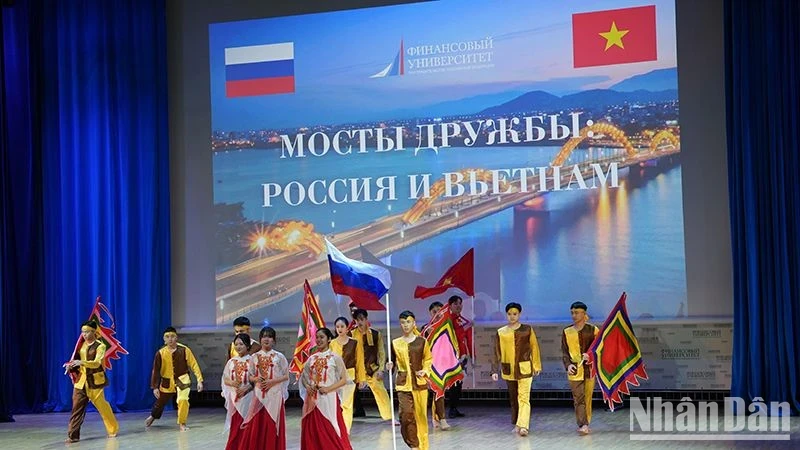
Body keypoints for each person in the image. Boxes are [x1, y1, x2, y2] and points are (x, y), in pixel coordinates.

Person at [490, 302, 542, 437]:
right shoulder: (501, 332)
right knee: (514, 398)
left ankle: (523, 426)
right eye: (509, 314)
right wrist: (494, 370)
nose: (512, 317)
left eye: (515, 314)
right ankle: (517, 423)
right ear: (506, 315)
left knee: (524, 397)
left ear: (519, 314)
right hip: (509, 369)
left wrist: (536, 365)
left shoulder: (527, 330)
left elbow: (534, 347)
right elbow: (496, 352)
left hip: (525, 368)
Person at [64, 320, 119, 443]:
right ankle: (73, 435)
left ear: (94, 332)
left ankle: (112, 428)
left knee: (102, 406)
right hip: (81, 381)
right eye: (83, 332)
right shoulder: (81, 345)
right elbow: (77, 361)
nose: (84, 334)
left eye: (87, 331)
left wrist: (82, 362)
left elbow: (97, 363)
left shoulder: (100, 346)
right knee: (76, 408)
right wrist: (71, 366)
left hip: (95, 381)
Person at [300, 328, 352, 450]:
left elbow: (344, 380)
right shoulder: (311, 358)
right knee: (313, 430)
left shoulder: (335, 358)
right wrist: (308, 386)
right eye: (317, 337)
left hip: (329, 399)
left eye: (322, 337)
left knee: (331, 428)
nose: (318, 340)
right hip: (313, 400)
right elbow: (304, 376)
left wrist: (328, 389)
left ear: (329, 339)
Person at [388, 311, 432, 450]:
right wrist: (389, 365)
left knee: (420, 417)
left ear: (414, 323)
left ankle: (422, 446)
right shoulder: (395, 343)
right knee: (406, 415)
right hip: (403, 384)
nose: (406, 325)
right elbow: (392, 362)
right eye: (403, 322)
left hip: (419, 384)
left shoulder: (422, 342)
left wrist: (425, 370)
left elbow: (428, 359)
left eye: (408, 322)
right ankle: (414, 445)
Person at [145, 327, 204, 431]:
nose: (170, 339)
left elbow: (194, 364)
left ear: (176, 337)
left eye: (172, 336)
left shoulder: (184, 350)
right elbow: (156, 370)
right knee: (160, 402)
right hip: (167, 381)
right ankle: (153, 416)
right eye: (167, 337)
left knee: (183, 400)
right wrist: (155, 387)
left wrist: (199, 380)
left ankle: (182, 423)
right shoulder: (160, 353)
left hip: (182, 379)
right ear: (164, 339)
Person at [242, 326, 289, 450]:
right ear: (260, 339)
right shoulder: (254, 357)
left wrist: (272, 382)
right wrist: (256, 379)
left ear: (274, 340)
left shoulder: (279, 357)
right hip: (259, 395)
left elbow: (286, 376)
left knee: (271, 424)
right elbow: (250, 376)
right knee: (258, 424)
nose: (266, 339)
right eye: (264, 336)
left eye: (269, 336)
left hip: (275, 395)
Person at [561, 301, 599, 435]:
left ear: (584, 314)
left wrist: (591, 356)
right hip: (574, 369)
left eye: (577, 312)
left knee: (587, 397)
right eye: (572, 312)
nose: (574, 315)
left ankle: (585, 423)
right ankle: (583, 424)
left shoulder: (593, 330)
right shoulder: (567, 331)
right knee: (578, 398)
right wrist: (568, 365)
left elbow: (600, 349)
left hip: (589, 369)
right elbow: (564, 352)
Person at [350, 308, 392, 421]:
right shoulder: (351, 334)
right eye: (357, 320)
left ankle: (389, 417)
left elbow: (381, 353)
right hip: (357, 370)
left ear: (366, 319)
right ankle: (345, 418)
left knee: (381, 392)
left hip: (372, 369)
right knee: (348, 393)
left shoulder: (375, 334)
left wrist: (381, 369)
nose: (360, 322)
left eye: (362, 319)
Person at [222, 333, 255, 450]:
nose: (238, 347)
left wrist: (248, 388)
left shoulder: (253, 360)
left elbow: (258, 379)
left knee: (248, 426)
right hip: (235, 399)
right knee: (236, 427)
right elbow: (225, 378)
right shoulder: (231, 362)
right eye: (236, 344)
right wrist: (232, 383)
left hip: (250, 398)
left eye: (241, 344)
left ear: (247, 345)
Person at [420, 301, 450, 430]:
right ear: (430, 313)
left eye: (440, 311)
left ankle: (440, 419)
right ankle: (429, 419)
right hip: (427, 366)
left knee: (439, 393)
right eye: (434, 312)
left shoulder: (447, 329)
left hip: (441, 365)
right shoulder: (425, 329)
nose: (437, 314)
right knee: (425, 394)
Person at [330, 317, 362, 431]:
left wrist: (361, 378)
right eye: (337, 327)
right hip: (335, 378)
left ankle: (345, 430)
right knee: (336, 404)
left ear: (347, 327)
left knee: (347, 404)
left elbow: (359, 361)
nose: (339, 329)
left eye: (342, 326)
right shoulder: (332, 343)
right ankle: (336, 429)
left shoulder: (354, 343)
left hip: (349, 377)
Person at [447, 295, 473, 418]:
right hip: (452, 356)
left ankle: (454, 407)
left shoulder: (460, 319)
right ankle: (451, 408)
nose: (458, 306)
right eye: (456, 304)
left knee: (459, 383)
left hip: (462, 356)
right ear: (450, 305)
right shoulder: (448, 319)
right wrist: (464, 328)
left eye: (460, 304)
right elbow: (453, 335)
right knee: (454, 383)